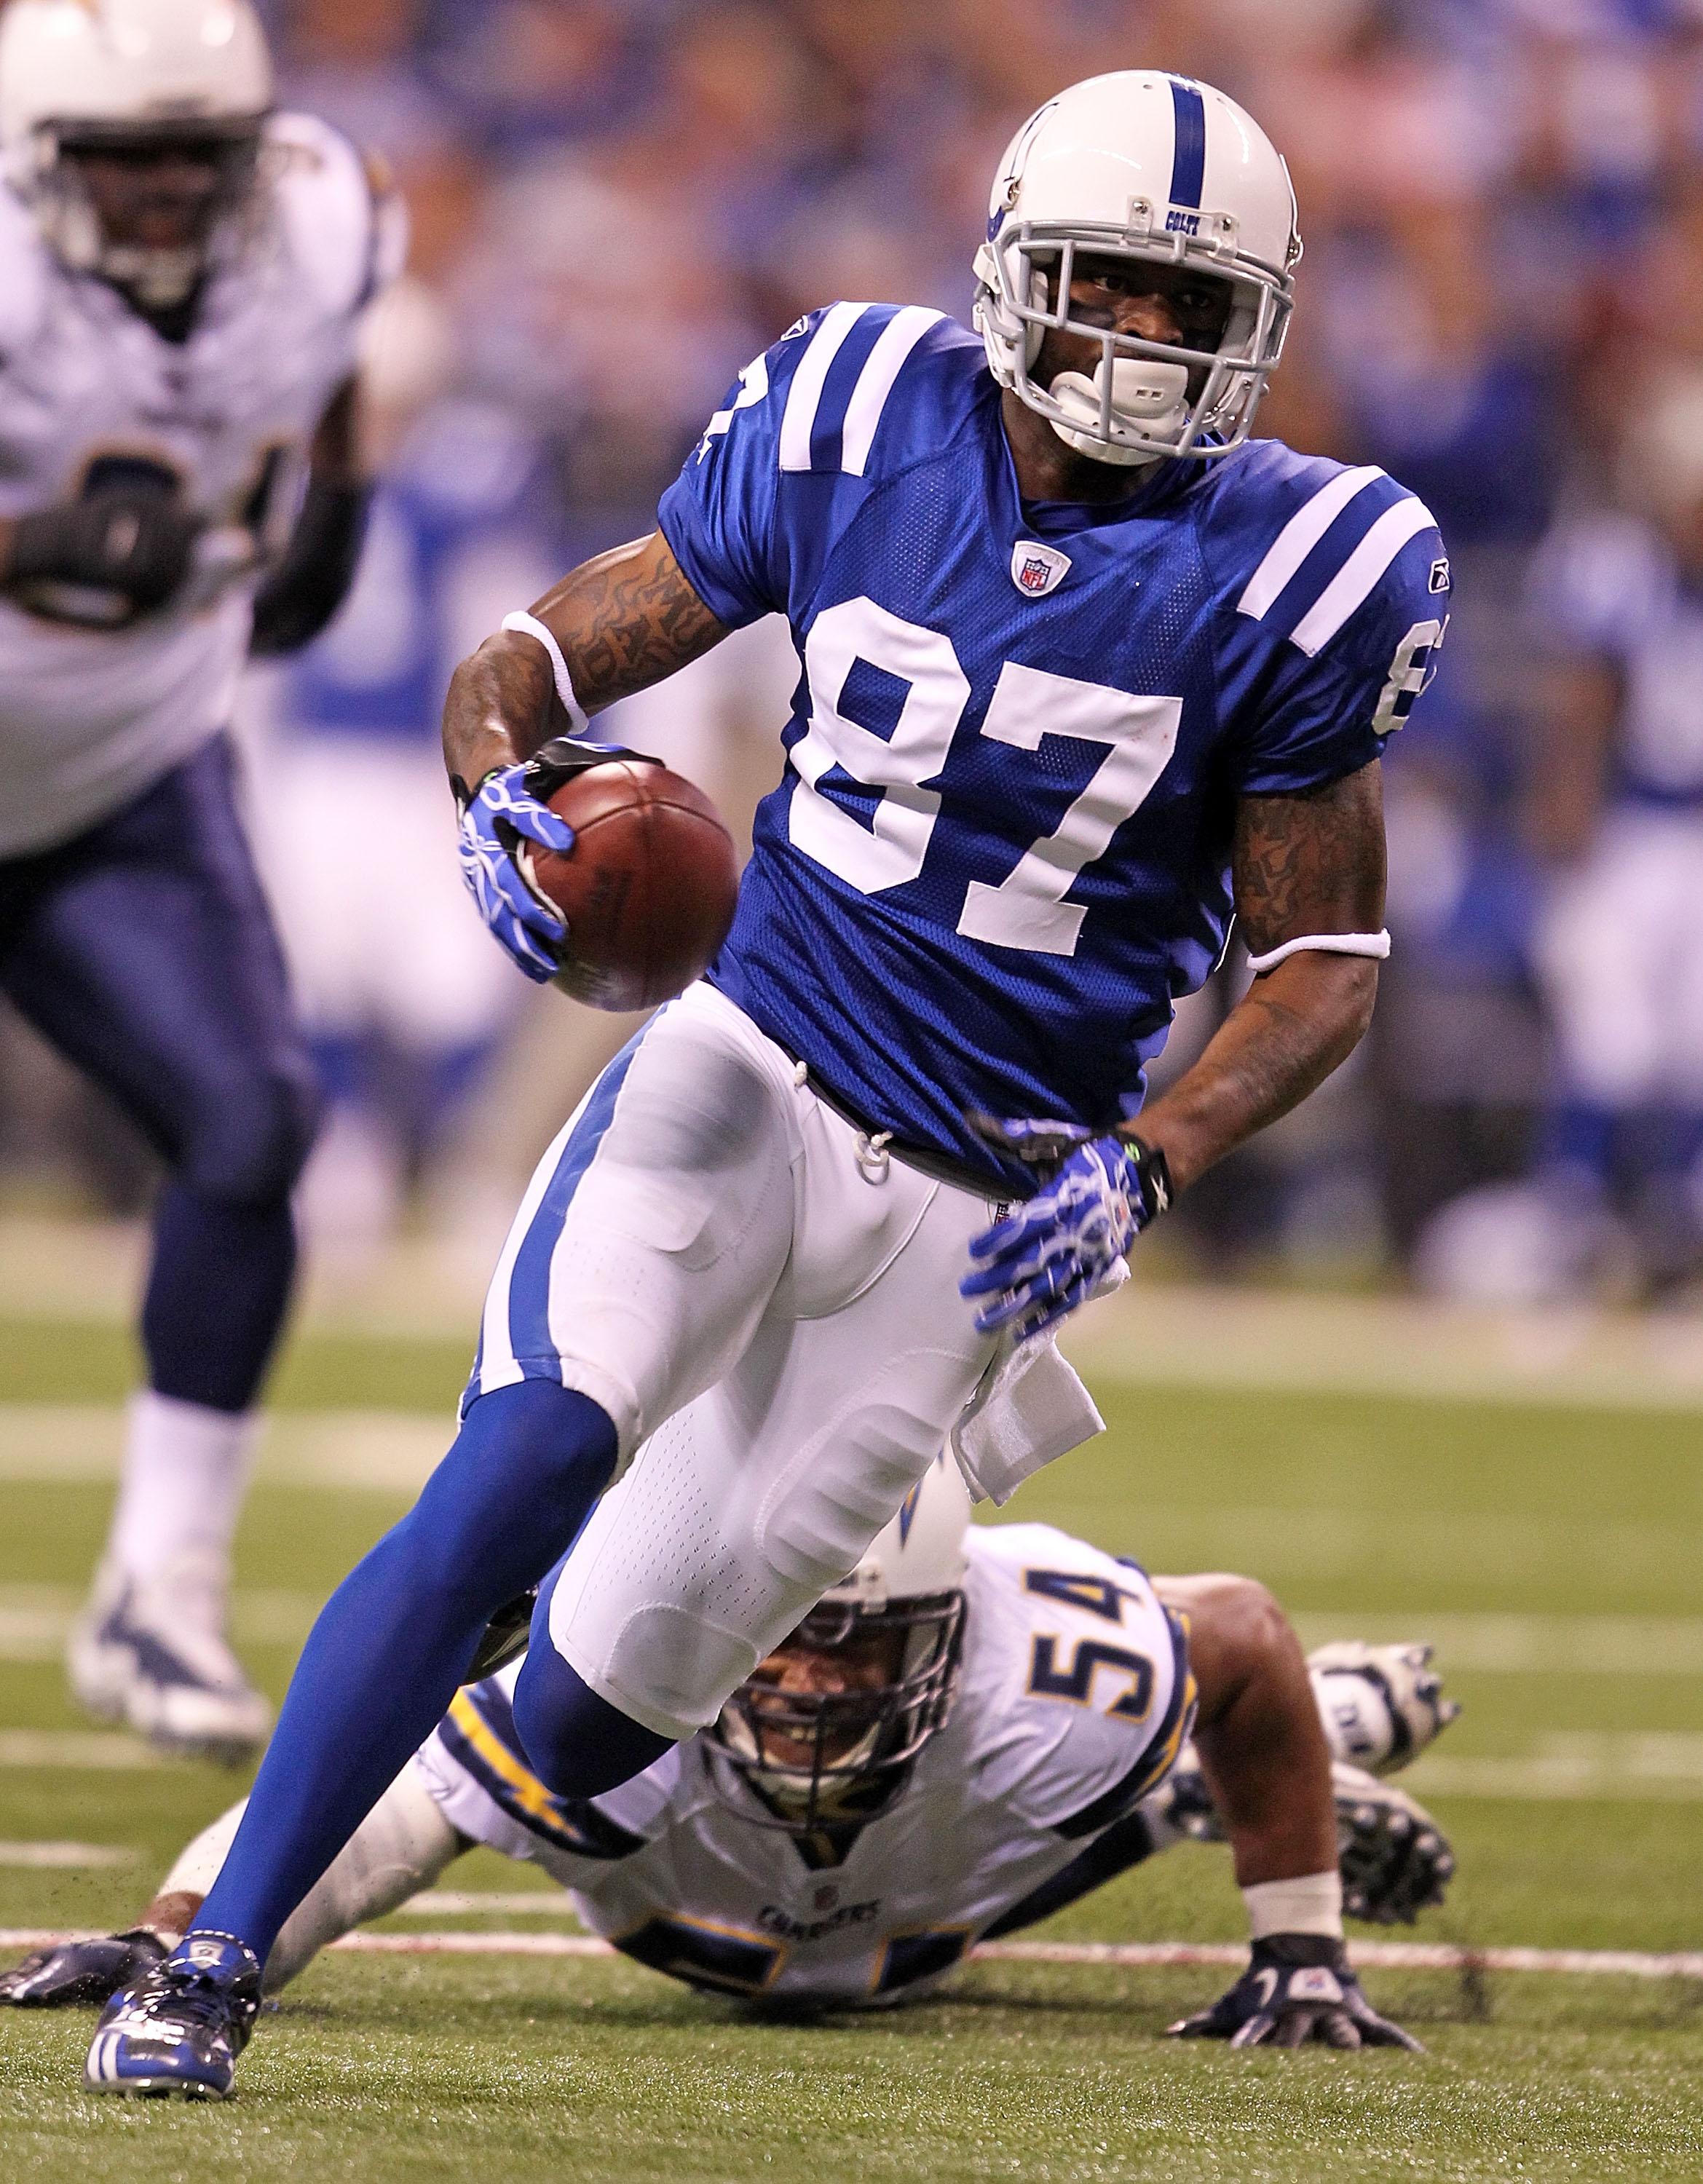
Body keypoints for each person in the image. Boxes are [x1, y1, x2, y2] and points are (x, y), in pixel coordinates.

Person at [86, 70, 1450, 2095]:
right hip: (749, 1060)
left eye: (1189, 306)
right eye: (1105, 288)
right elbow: (537, 661)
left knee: (592, 1716)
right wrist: (499, 800)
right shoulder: (852, 413)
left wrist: (1150, 1161)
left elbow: (1322, 959)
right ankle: (198, 1969)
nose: (1140, 346)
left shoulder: (1317, 562)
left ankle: (1216, 1747)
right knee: (526, 1457)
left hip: (984, 1217)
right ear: (1008, 270)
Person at [29, 1460, 1453, 2037]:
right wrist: (183, 1938)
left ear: (953, 1624)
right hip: (706, 1918)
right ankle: (1209, 1791)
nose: (819, 1677)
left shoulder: (1054, 1661)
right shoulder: (605, 1692)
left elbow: (1245, 1637)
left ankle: (1244, 1773)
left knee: (1040, 1794)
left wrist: (1301, 1954)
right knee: (992, 1833)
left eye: (864, 1640)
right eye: (785, 1632)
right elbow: (370, 1825)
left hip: (932, 1898)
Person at [0, 0, 399, 1758]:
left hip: (117, 776)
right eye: (122, 158)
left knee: (252, 1125)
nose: (165, 192)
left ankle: (157, 1588)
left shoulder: (319, 218)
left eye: (195, 158)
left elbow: (321, 387)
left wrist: (333, 491)